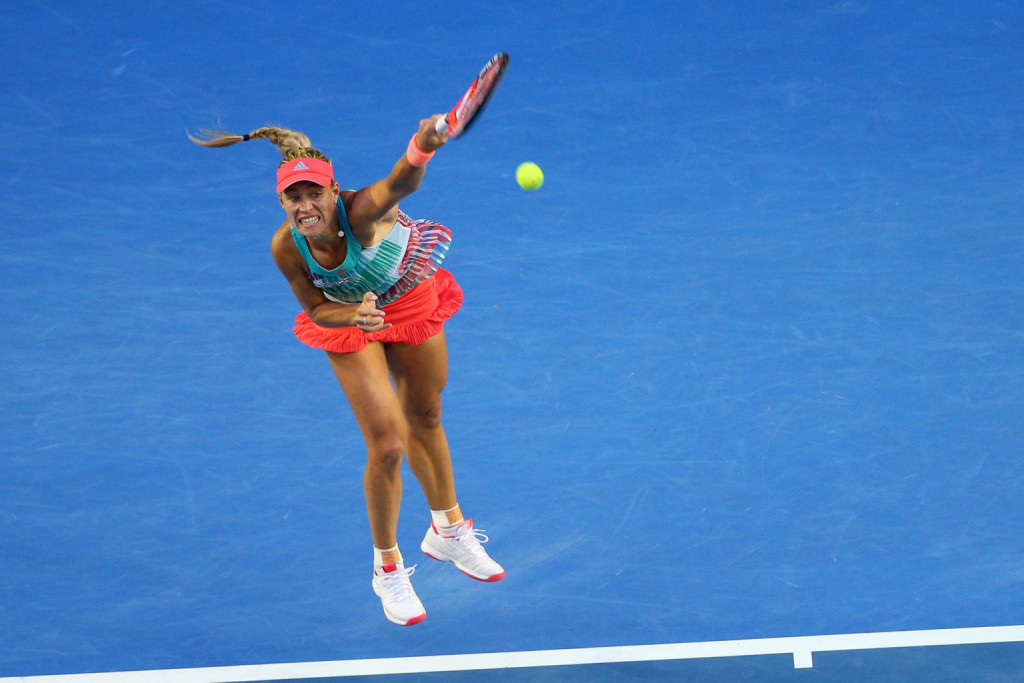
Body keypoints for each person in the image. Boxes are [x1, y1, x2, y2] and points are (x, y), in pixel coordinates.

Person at [189, 115, 504, 627]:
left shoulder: (360, 213)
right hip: (349, 318)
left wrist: (421, 148)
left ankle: (447, 532)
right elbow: (315, 309)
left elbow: (399, 182)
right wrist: (353, 314)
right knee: (387, 444)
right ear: (282, 203)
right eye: (294, 198)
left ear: (334, 191)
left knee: (425, 414)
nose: (305, 206)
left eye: (315, 193)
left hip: (410, 300)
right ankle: (388, 568)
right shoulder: (286, 246)